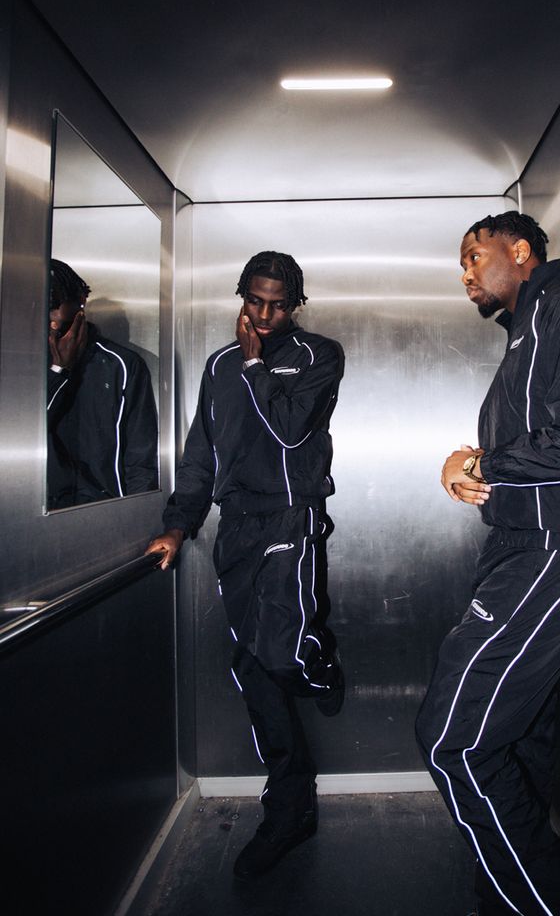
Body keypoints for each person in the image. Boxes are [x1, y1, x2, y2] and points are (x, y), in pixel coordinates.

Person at [415, 213, 560, 916]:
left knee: (452, 741)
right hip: (522, 549)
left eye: (473, 256)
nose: (466, 273)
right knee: (519, 740)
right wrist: (472, 470)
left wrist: (485, 461)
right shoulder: (528, 334)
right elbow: (539, 448)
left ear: (520, 252)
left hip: (556, 551)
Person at [146, 250, 345, 878]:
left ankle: (316, 658)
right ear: (241, 296)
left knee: (279, 656)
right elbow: (200, 454)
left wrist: (258, 362)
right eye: (253, 302)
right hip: (236, 530)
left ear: (295, 304)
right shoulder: (219, 366)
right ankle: (289, 808)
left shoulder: (318, 357)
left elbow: (288, 429)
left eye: (277, 304)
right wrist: (178, 526)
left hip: (291, 519)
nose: (262, 315)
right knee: (255, 669)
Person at [47, 258, 158, 509]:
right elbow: (21, 435)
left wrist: (136, 519)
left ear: (80, 302)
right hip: (37, 519)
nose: (52, 320)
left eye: (55, 304)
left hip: (105, 514)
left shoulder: (121, 365)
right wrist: (58, 371)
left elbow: (141, 460)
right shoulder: (21, 367)